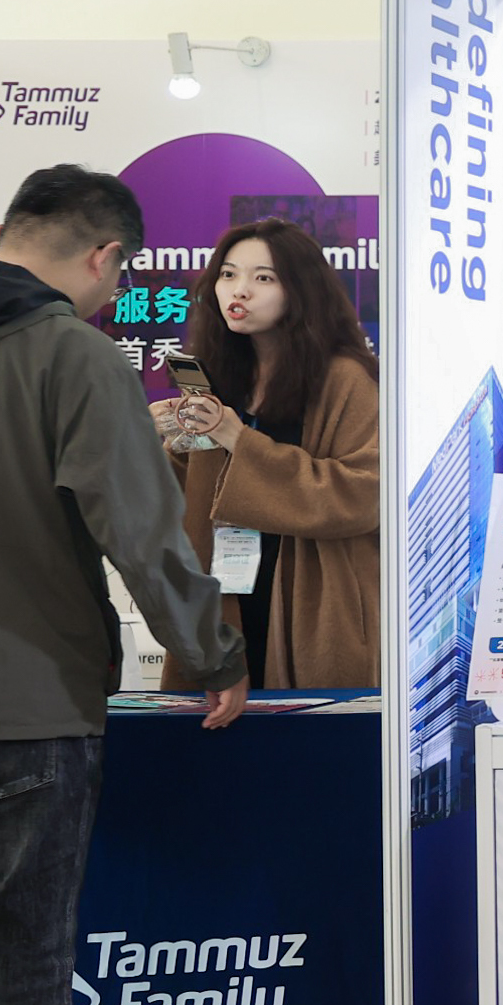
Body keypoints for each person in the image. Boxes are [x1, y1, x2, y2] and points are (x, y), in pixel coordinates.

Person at [0, 167, 244, 1005]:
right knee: (22, 945)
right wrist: (214, 650)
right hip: (26, 705)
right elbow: (140, 532)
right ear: (105, 259)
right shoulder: (72, 356)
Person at [151, 218, 381, 692]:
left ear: (301, 291)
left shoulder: (345, 378)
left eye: (263, 278)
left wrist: (239, 439)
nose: (240, 290)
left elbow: (366, 495)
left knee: (306, 731)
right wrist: (174, 443)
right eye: (228, 274)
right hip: (226, 590)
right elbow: (193, 500)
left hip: (312, 598)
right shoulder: (220, 375)